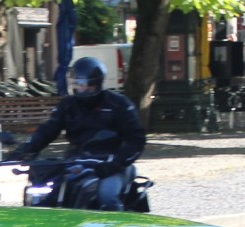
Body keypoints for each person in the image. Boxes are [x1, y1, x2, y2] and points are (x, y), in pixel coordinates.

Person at [8, 56, 147, 211]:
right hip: (76, 161)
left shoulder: (118, 104)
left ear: (97, 83)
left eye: (86, 84)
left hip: (110, 164)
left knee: (107, 196)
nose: (82, 89)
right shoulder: (68, 105)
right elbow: (48, 129)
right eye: (77, 84)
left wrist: (116, 163)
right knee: (48, 193)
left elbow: (136, 139)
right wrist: (24, 150)